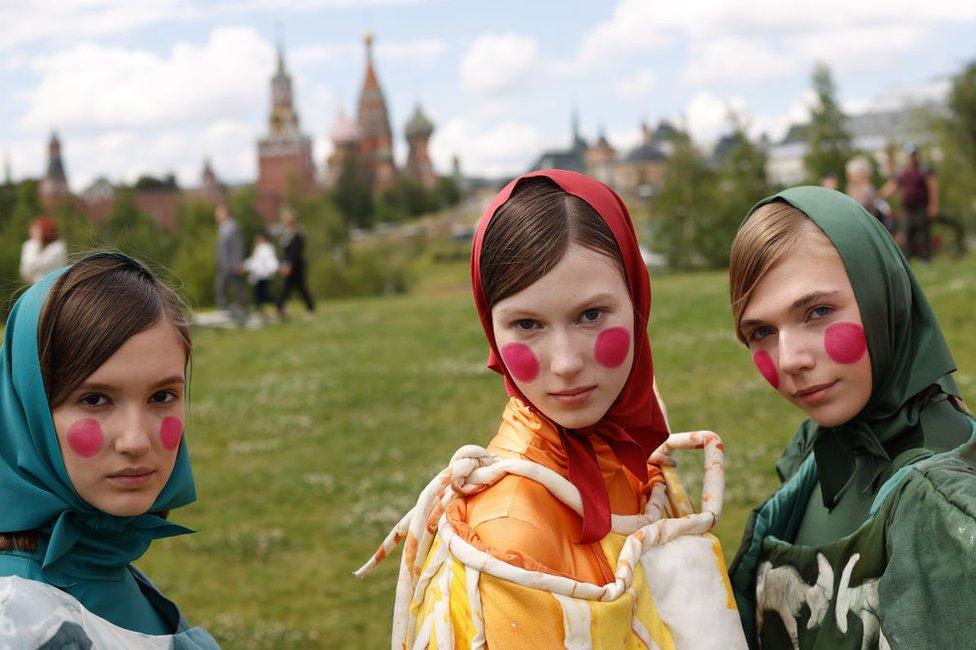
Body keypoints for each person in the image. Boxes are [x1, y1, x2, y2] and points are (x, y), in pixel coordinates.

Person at [358, 170, 745, 647]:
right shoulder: (508, 539)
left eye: (590, 315)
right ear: (491, 329)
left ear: (638, 301)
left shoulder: (636, 447)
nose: (565, 364)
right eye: (527, 323)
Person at [727, 187, 976, 648]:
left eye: (818, 311)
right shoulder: (813, 458)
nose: (789, 360)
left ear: (883, 297)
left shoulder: (952, 506)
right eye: (761, 331)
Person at [0, 253, 217, 647]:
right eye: (95, 400)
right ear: (27, 413)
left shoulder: (106, 563)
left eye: (162, 395)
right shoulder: (20, 620)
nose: (135, 440)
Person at [881, 143, 939, 260]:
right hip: (907, 209)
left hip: (921, 207)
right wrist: (877, 195)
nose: (912, 157)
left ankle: (926, 258)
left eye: (913, 154)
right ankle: (907, 259)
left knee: (924, 232)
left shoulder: (924, 171)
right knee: (907, 233)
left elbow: (933, 188)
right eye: (909, 155)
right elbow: (891, 187)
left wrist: (933, 206)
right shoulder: (902, 172)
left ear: (917, 155)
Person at [275, 207, 315, 319]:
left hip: (296, 267)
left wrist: (289, 265)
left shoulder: (298, 234)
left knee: (300, 288)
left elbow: (295, 253)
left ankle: (310, 308)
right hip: (288, 266)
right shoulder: (286, 235)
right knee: (286, 289)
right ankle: (280, 309)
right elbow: (285, 253)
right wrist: (283, 264)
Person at [214, 204, 247, 324]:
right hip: (224, 264)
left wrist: (238, 263)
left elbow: (237, 246)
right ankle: (224, 309)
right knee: (221, 287)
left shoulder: (233, 227)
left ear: (225, 213)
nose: (217, 216)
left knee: (238, 287)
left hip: (233, 265)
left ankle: (243, 309)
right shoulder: (222, 227)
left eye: (218, 214)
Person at [243, 230, 279, 321]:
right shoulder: (258, 248)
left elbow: (270, 260)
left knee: (261, 296)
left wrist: (275, 269)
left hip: (264, 276)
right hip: (257, 276)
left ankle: (277, 304)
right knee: (260, 295)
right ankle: (261, 311)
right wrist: (244, 266)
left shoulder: (267, 248)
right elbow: (253, 261)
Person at [19, 216, 67, 284]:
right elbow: (25, 272)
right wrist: (38, 244)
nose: (32, 232)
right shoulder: (30, 245)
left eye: (36, 230)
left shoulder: (58, 247)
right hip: (36, 285)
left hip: (55, 284)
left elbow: (39, 265)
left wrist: (39, 243)